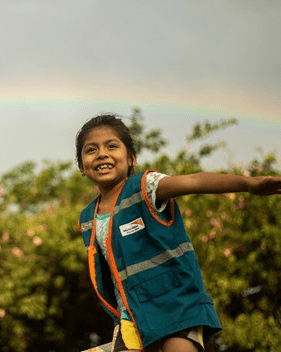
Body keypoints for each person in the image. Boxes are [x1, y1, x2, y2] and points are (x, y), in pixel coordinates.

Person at [76, 115, 281, 352]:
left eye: (112, 146)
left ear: (132, 157)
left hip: (177, 304)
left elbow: (193, 181)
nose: (102, 154)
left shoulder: (146, 187)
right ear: (81, 166)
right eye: (91, 150)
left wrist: (248, 184)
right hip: (132, 316)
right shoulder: (87, 218)